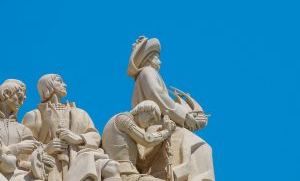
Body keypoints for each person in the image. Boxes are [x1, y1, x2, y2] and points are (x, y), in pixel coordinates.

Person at [127, 36, 215, 181]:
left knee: (200, 147)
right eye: (156, 57)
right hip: (158, 128)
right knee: (200, 146)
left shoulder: (145, 76)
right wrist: (185, 117)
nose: (160, 61)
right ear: (148, 59)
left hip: (162, 126)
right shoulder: (148, 72)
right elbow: (161, 99)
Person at [22, 74, 121, 181]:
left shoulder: (80, 113)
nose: (65, 85)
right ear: (48, 86)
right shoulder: (35, 115)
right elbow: (25, 152)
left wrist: (79, 139)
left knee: (111, 167)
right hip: (51, 167)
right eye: (59, 81)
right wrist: (46, 149)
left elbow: (95, 136)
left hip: (79, 161)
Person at [102, 100, 176, 181]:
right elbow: (146, 140)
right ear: (142, 110)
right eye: (151, 118)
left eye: (153, 121)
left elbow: (143, 162)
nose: (151, 123)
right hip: (124, 174)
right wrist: (166, 131)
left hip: (131, 173)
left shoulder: (132, 133)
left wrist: (160, 141)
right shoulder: (122, 119)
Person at [0, 80, 55, 181]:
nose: (21, 102)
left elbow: (27, 160)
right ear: (6, 94)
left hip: (18, 175)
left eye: (23, 100)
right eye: (19, 97)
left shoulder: (22, 129)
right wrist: (17, 148)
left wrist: (42, 162)